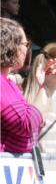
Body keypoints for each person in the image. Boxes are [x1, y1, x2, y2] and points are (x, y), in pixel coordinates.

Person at [0, 17, 42, 153]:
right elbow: (27, 125)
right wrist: (41, 89)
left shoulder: (8, 83)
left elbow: (34, 124)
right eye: (26, 44)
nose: (27, 50)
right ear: (11, 46)